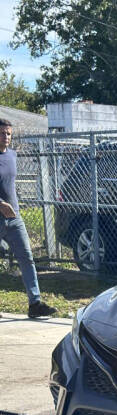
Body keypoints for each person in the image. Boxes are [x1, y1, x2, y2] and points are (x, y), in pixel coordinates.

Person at [0, 118, 56, 318]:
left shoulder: (12, 155)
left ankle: (35, 303)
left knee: (27, 259)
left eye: (8, 133)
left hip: (14, 218)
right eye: (2, 133)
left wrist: (10, 205)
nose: (6, 137)